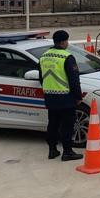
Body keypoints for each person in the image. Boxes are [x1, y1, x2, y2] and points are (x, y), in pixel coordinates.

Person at [38, 30, 82, 161]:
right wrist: (78, 96)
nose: (67, 43)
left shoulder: (43, 56)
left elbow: (41, 78)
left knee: (53, 124)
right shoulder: (67, 57)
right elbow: (74, 79)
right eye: (67, 40)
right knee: (67, 125)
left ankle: (52, 150)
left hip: (50, 97)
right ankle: (67, 152)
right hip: (66, 97)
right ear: (63, 42)